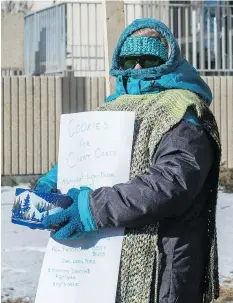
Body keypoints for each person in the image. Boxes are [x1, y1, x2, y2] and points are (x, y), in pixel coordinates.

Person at [35, 18, 221, 303]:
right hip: (101, 268)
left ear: (168, 58)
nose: (136, 67)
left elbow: (170, 185)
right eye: (130, 59)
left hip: (162, 269)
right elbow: (85, 158)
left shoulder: (183, 111)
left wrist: (89, 209)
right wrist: (50, 184)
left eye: (147, 59)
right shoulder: (111, 108)